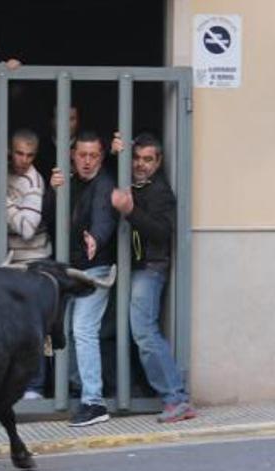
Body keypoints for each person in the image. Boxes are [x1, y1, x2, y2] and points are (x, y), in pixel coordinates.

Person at [110, 133, 195, 423]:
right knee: (127, 331)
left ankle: (176, 398)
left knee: (144, 332)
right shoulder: (129, 183)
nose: (140, 165)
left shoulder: (160, 192)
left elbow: (162, 232)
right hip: (127, 266)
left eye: (148, 159)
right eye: (136, 158)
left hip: (149, 267)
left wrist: (131, 211)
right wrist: (115, 155)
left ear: (158, 162)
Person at [57, 131, 118, 427]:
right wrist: (52, 191)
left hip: (95, 270)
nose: (87, 161)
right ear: (72, 154)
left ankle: (94, 402)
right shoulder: (70, 181)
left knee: (82, 330)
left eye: (93, 155)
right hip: (71, 269)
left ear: (102, 157)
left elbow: (104, 215)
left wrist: (97, 237)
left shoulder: (104, 182)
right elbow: (51, 217)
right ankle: (78, 386)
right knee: (68, 330)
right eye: (82, 154)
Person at [6, 129, 53, 399]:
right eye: (19, 153)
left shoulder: (34, 183)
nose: (23, 160)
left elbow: (26, 227)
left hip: (34, 263)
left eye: (30, 155)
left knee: (34, 329)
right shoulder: (0, 169)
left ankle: (35, 387)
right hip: (10, 264)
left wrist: (4, 203)